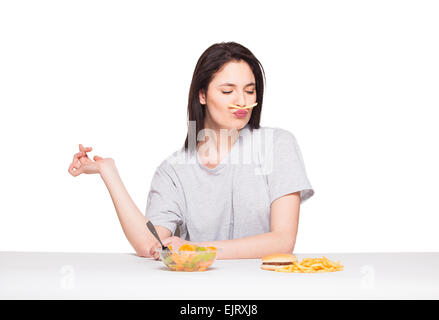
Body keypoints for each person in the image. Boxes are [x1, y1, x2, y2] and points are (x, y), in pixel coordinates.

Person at [68, 41, 314, 260]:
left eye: (249, 91)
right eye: (228, 91)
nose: (242, 100)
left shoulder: (278, 144)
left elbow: (283, 241)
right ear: (202, 95)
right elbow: (151, 244)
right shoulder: (172, 171)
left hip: (265, 289)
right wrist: (108, 171)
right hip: (197, 290)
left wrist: (194, 248)